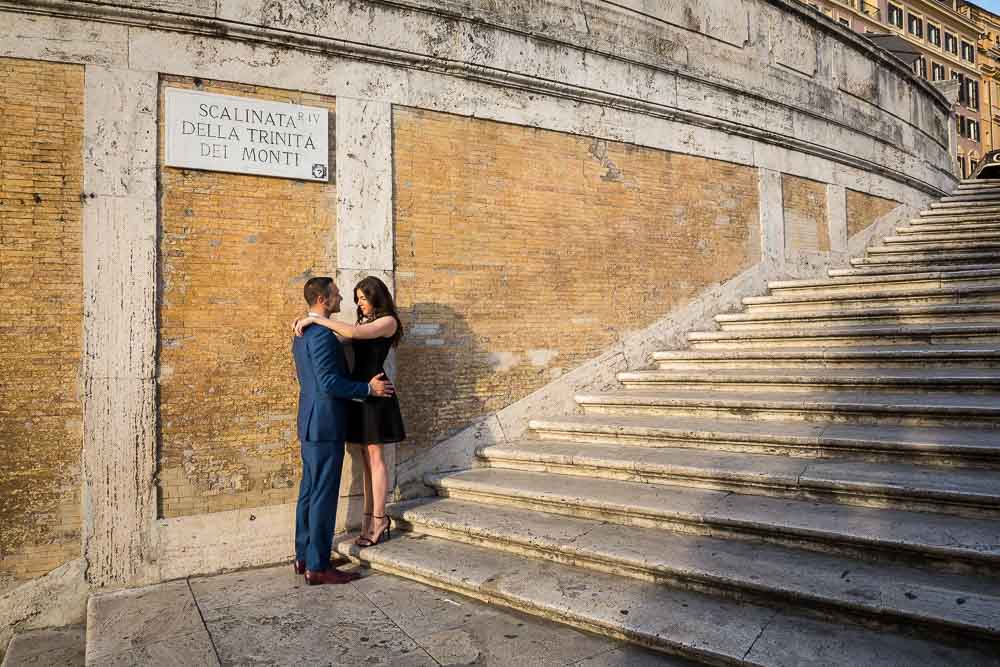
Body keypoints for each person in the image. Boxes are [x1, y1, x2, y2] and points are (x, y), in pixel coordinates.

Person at [292, 276, 394, 585]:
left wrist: (307, 319)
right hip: (325, 422)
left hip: (310, 421)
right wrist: (367, 388)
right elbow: (329, 383)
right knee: (322, 494)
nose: (342, 300)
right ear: (323, 300)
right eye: (336, 294)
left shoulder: (303, 333)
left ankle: (304, 557)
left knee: (309, 492)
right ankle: (318, 566)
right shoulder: (321, 335)